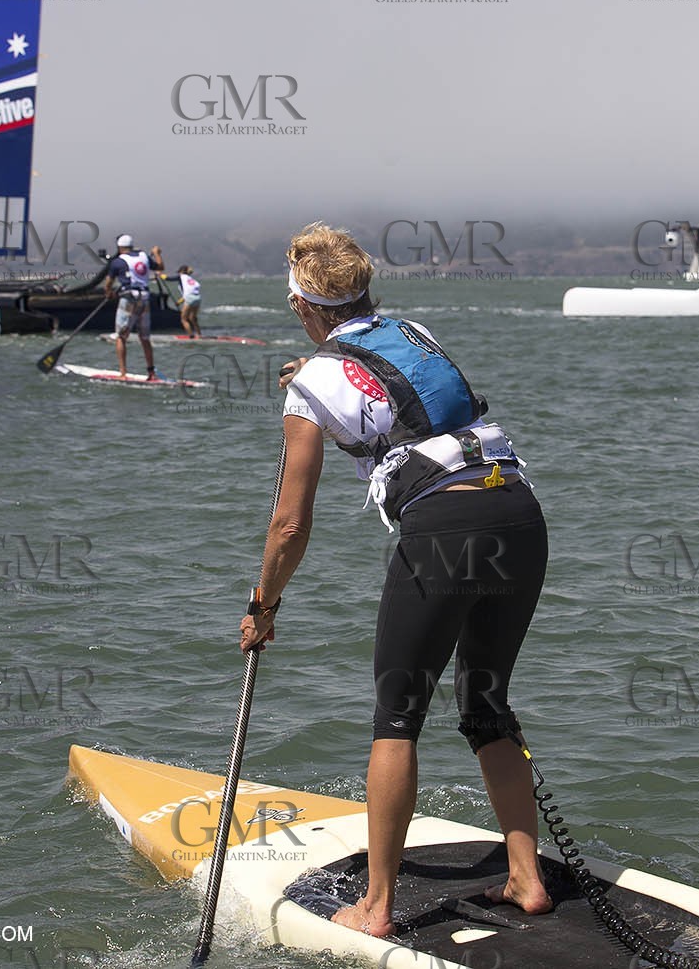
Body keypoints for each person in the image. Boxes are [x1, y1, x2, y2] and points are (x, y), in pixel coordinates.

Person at [238, 223, 550, 937]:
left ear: (303, 308)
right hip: (520, 515)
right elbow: (394, 392)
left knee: (397, 715)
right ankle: (527, 877)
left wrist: (264, 604)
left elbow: (289, 524)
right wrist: (311, 377)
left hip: (444, 532)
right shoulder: (413, 329)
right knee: (485, 703)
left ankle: (375, 906)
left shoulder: (310, 388)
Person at [105, 233, 163, 379]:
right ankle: (151, 373)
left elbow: (108, 283)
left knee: (121, 337)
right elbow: (160, 266)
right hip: (145, 299)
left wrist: (109, 294)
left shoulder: (117, 262)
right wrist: (156, 254)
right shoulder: (144, 256)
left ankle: (123, 373)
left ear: (119, 247)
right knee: (145, 338)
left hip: (129, 299)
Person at [177, 263, 203, 338]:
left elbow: (167, 278)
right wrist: (179, 302)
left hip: (190, 299)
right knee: (193, 318)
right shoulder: (191, 280)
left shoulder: (182, 277)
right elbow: (189, 293)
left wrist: (160, 275)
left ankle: (190, 335)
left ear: (181, 271)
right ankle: (199, 335)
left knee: (183, 319)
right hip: (197, 298)